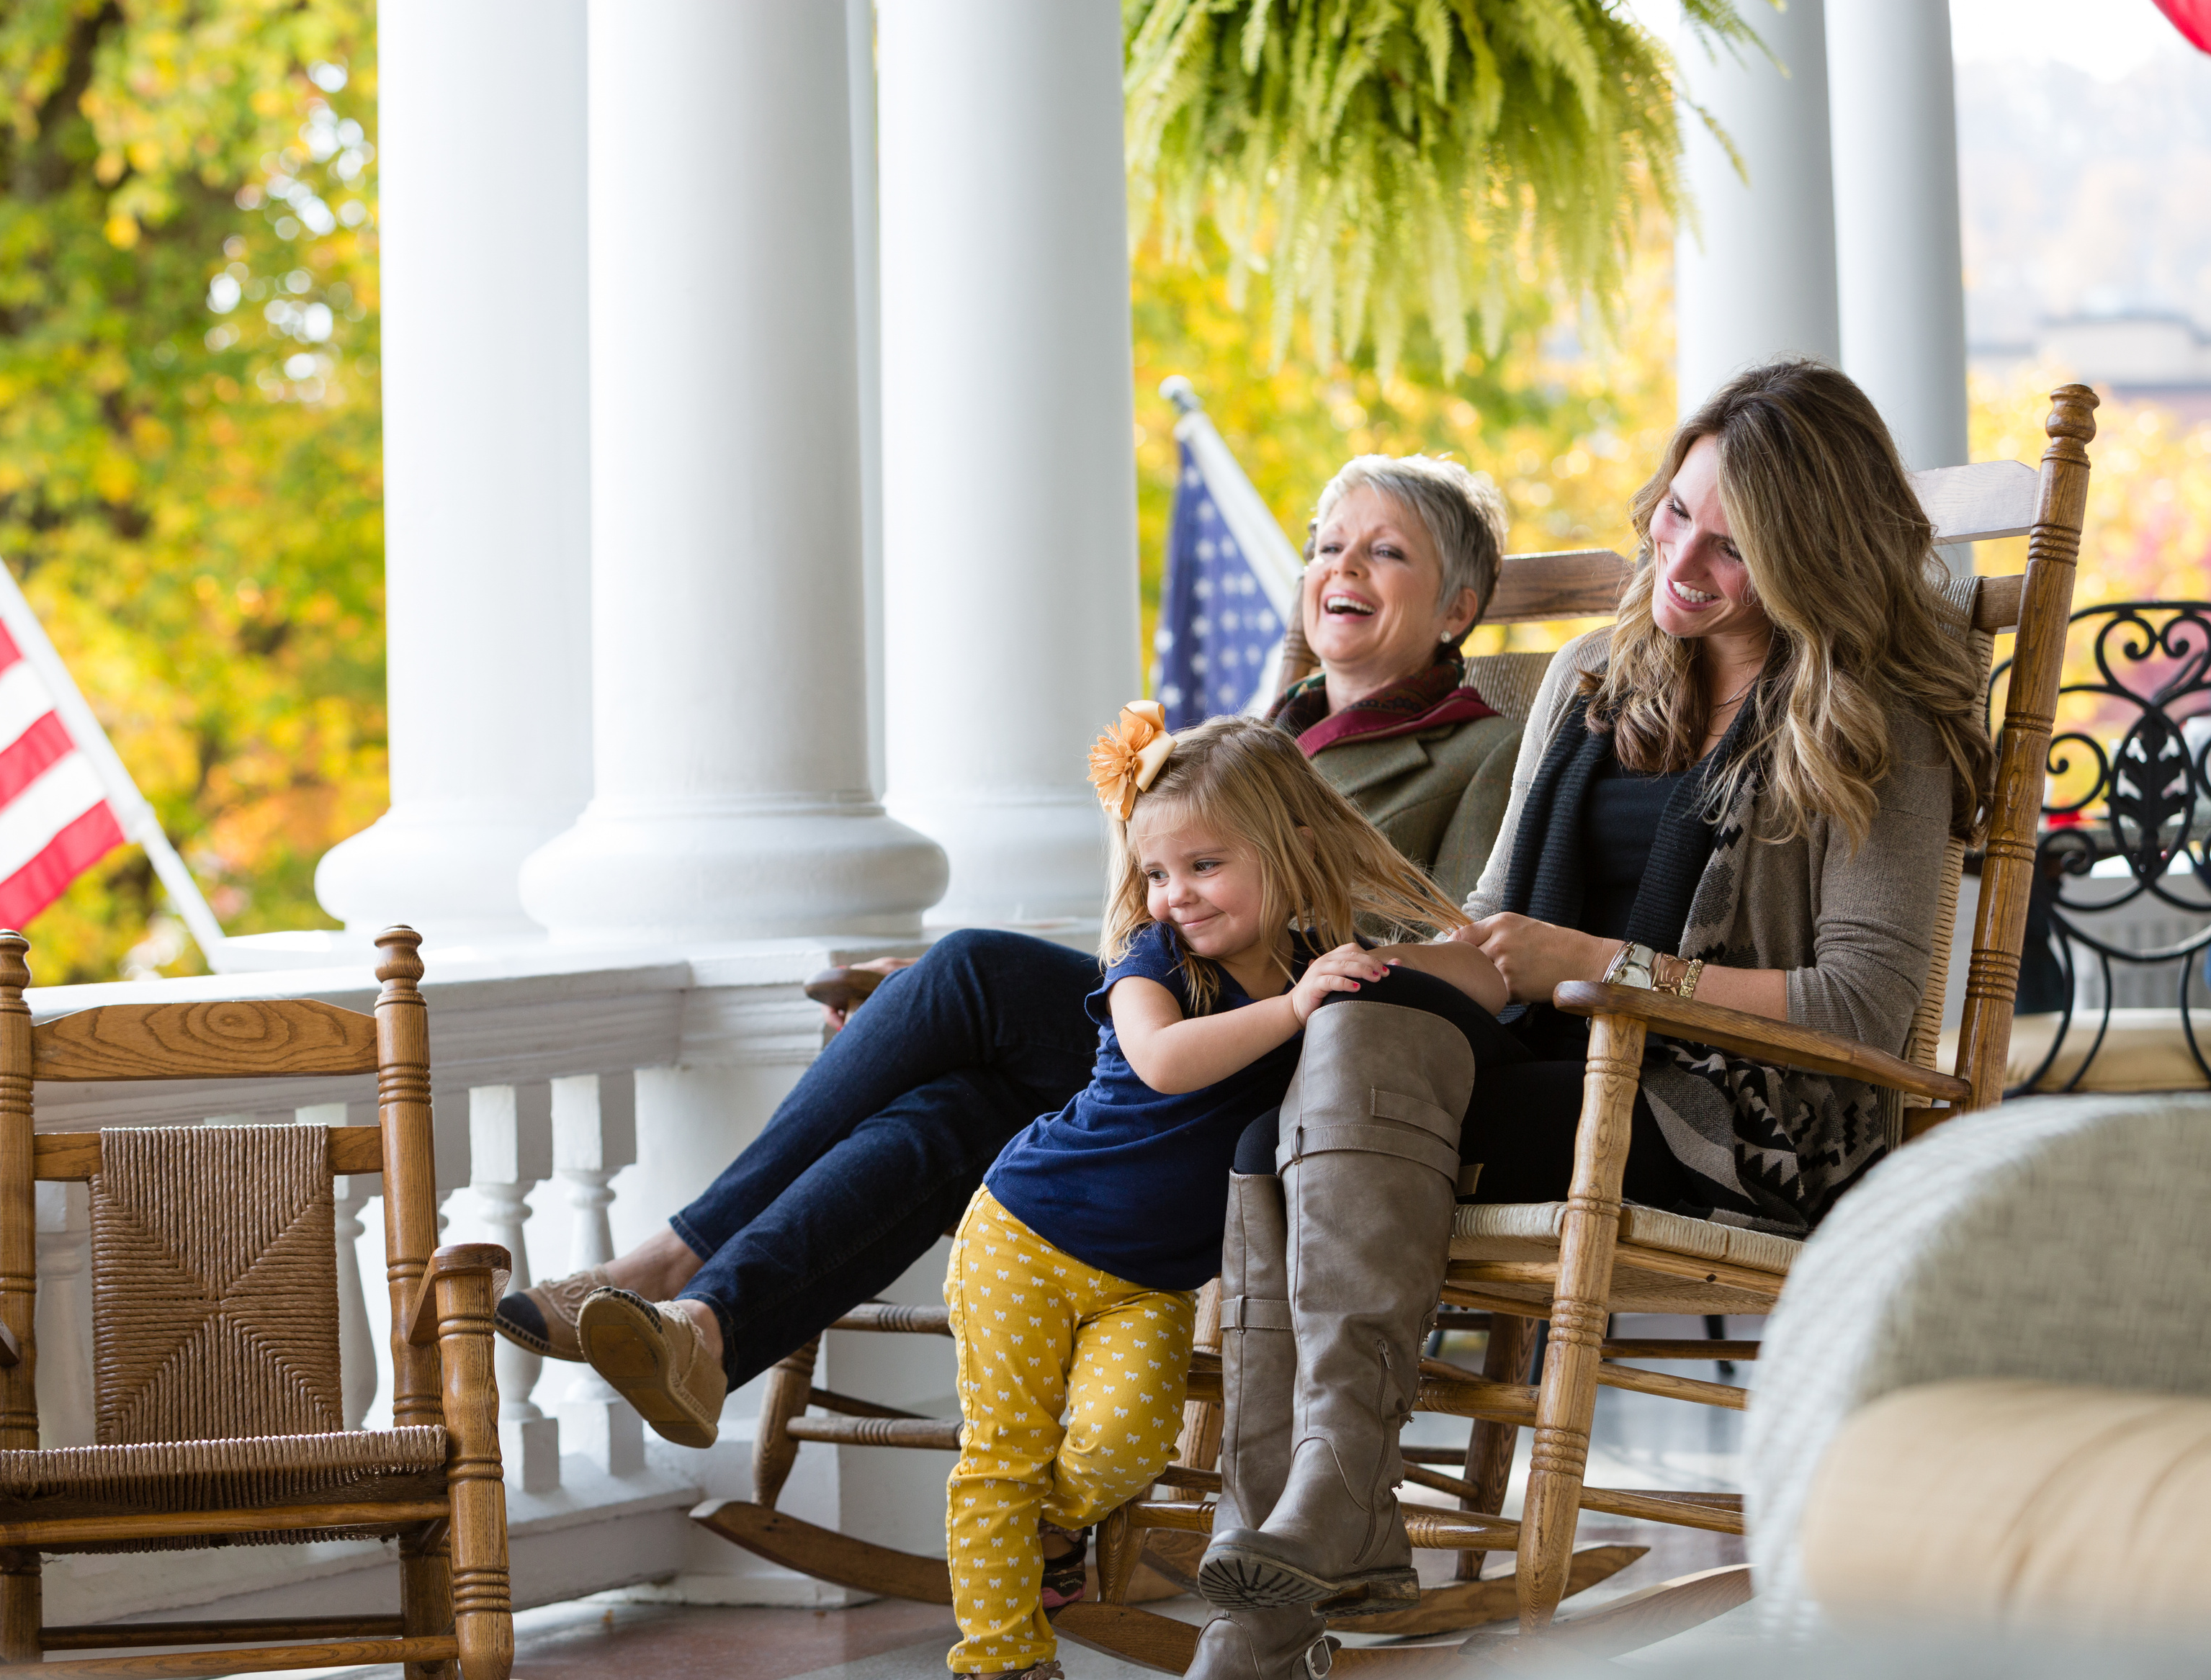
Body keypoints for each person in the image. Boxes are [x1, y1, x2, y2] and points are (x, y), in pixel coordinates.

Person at [1188, 359, 1996, 1679]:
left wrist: (1605, 964)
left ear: (1815, 555)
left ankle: (1279, 1586)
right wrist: (1343, 979)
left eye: (1735, 546)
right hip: (1551, 1073)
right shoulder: (1590, 676)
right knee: (1339, 1038)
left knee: (1313, 1106)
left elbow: (1866, 1003)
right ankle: (1323, 1509)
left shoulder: (1871, 720)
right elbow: (1498, 919)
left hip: (1747, 1106)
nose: (1683, 560)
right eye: (1676, 514)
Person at [491, 454, 1521, 1450]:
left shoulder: (1483, 749)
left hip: (1290, 1074)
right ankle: (705, 1331)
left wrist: (1320, 967)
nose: (1342, 567)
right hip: (1184, 1044)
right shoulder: (1264, 731)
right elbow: (1164, 915)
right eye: (1328, 544)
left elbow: (1460, 943)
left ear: (1458, 608)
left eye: (1384, 553)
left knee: (972, 970)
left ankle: (673, 1256)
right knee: (945, 1114)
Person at [906, 709, 1498, 1680]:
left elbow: (1477, 971)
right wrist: (1298, 1002)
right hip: (1029, 1234)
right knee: (1004, 1452)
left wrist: (1371, 969)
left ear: (1291, 850)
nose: (1176, 893)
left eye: (1205, 865)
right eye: (1157, 872)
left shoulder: (1318, 949)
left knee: (1125, 1442)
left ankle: (1052, 1530)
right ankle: (1002, 1655)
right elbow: (1166, 1062)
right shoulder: (1156, 962)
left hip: (1149, 1283)